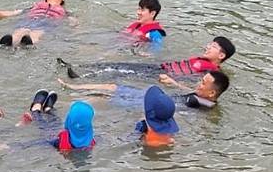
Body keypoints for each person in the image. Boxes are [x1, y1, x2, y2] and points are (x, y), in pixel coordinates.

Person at [59, 36, 235, 79]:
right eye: (209, 44)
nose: (207, 47)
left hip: (159, 75)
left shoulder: (213, 72)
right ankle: (77, 65)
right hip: (159, 68)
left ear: (221, 55)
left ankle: (81, 76)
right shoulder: (205, 63)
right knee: (117, 64)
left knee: (121, 73)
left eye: (213, 47)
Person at [58, 70, 230, 110]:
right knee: (113, 87)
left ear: (212, 93)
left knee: (103, 97)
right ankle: (73, 87)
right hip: (154, 96)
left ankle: (68, 105)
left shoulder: (206, 106)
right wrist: (175, 83)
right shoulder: (201, 96)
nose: (198, 84)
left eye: (203, 83)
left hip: (149, 104)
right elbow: (188, 92)